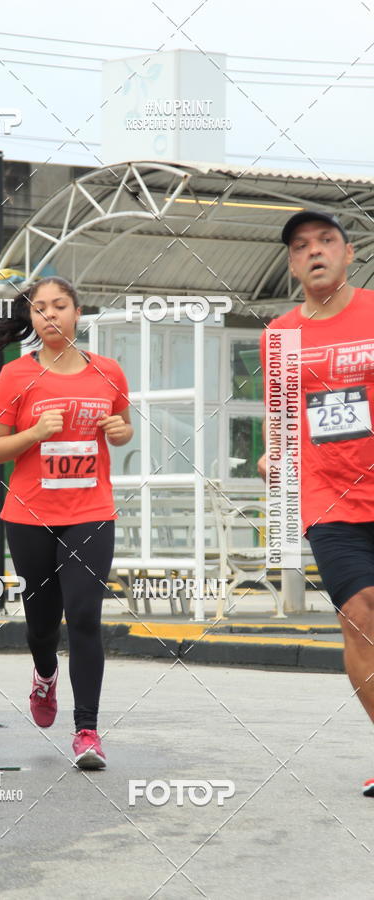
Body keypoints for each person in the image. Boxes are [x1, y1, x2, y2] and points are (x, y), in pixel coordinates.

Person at [0, 276, 133, 769]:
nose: (50, 314)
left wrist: (120, 431)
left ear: (77, 313)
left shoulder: (108, 371)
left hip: (91, 512)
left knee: (84, 617)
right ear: (31, 318)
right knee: (42, 625)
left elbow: (123, 428)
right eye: (40, 307)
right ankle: (44, 675)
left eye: (59, 305)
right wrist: (34, 433)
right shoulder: (15, 376)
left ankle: (87, 731)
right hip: (30, 516)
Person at [257, 210, 374, 796]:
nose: (315, 251)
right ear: (292, 264)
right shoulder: (279, 337)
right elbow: (279, 416)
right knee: (360, 615)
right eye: (302, 246)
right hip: (328, 497)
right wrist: (271, 454)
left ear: (349, 253)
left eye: (327, 240)